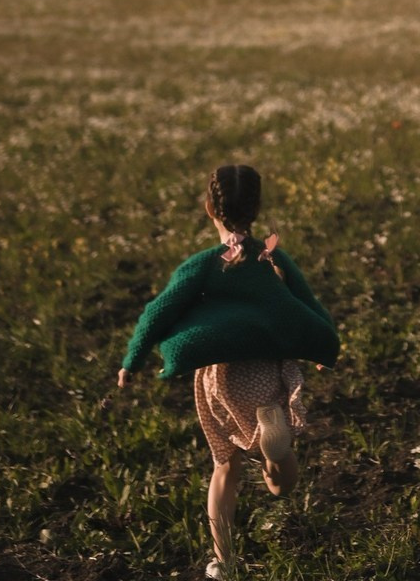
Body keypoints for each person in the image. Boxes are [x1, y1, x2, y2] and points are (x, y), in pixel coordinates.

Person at [118, 164, 340, 579]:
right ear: (256, 209)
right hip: (267, 370)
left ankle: (224, 560)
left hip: (222, 379)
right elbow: (307, 302)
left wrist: (133, 358)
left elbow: (159, 310)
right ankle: (279, 452)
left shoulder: (204, 263)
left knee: (225, 467)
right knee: (280, 481)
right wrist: (323, 343)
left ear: (209, 209)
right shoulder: (271, 255)